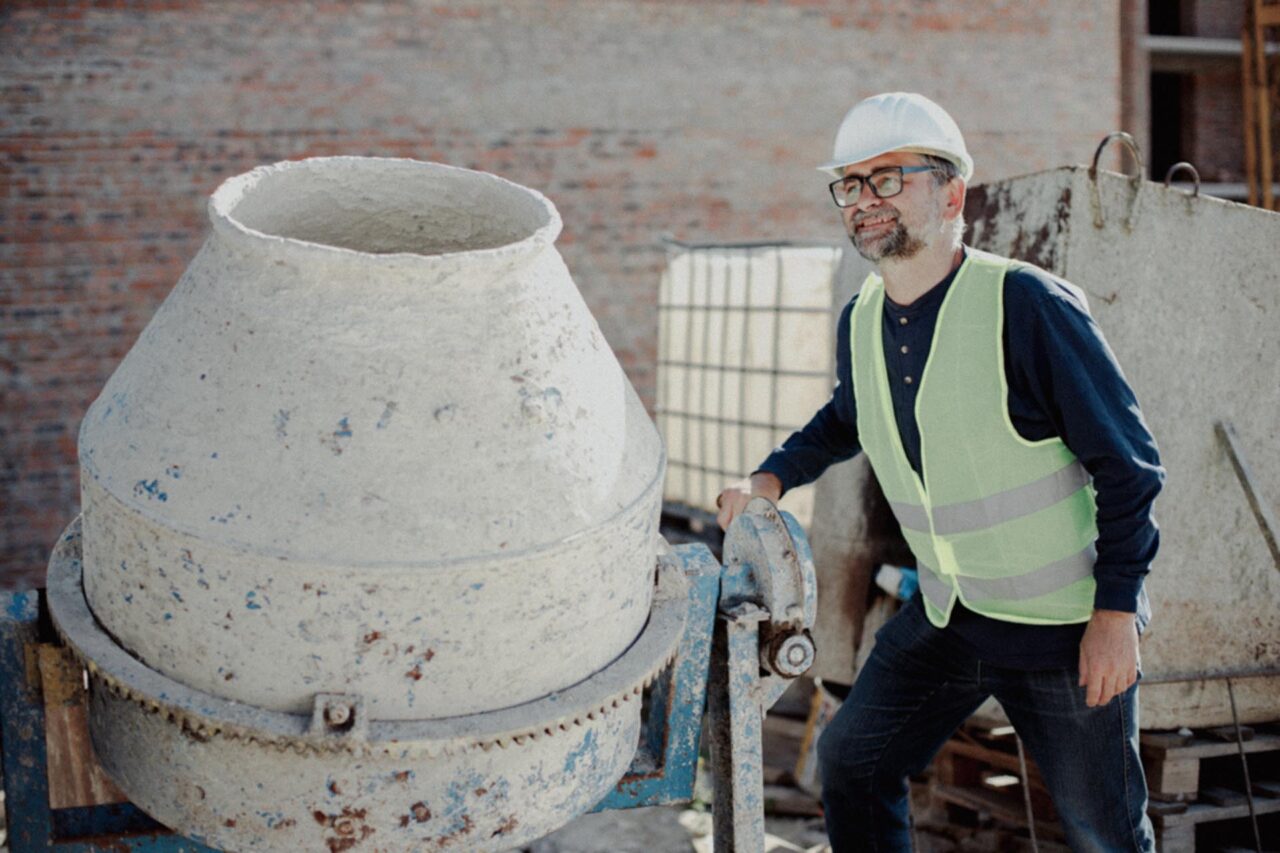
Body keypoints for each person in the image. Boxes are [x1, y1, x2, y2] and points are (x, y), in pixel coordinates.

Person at [716, 92, 1164, 852]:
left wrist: (1115, 617)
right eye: (851, 184)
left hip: (1062, 627)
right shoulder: (862, 316)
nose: (865, 199)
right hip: (952, 615)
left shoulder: (1025, 305)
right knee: (852, 761)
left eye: (888, 178)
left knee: (1105, 833)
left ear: (951, 192)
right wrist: (770, 478)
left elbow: (1129, 467)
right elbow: (848, 417)